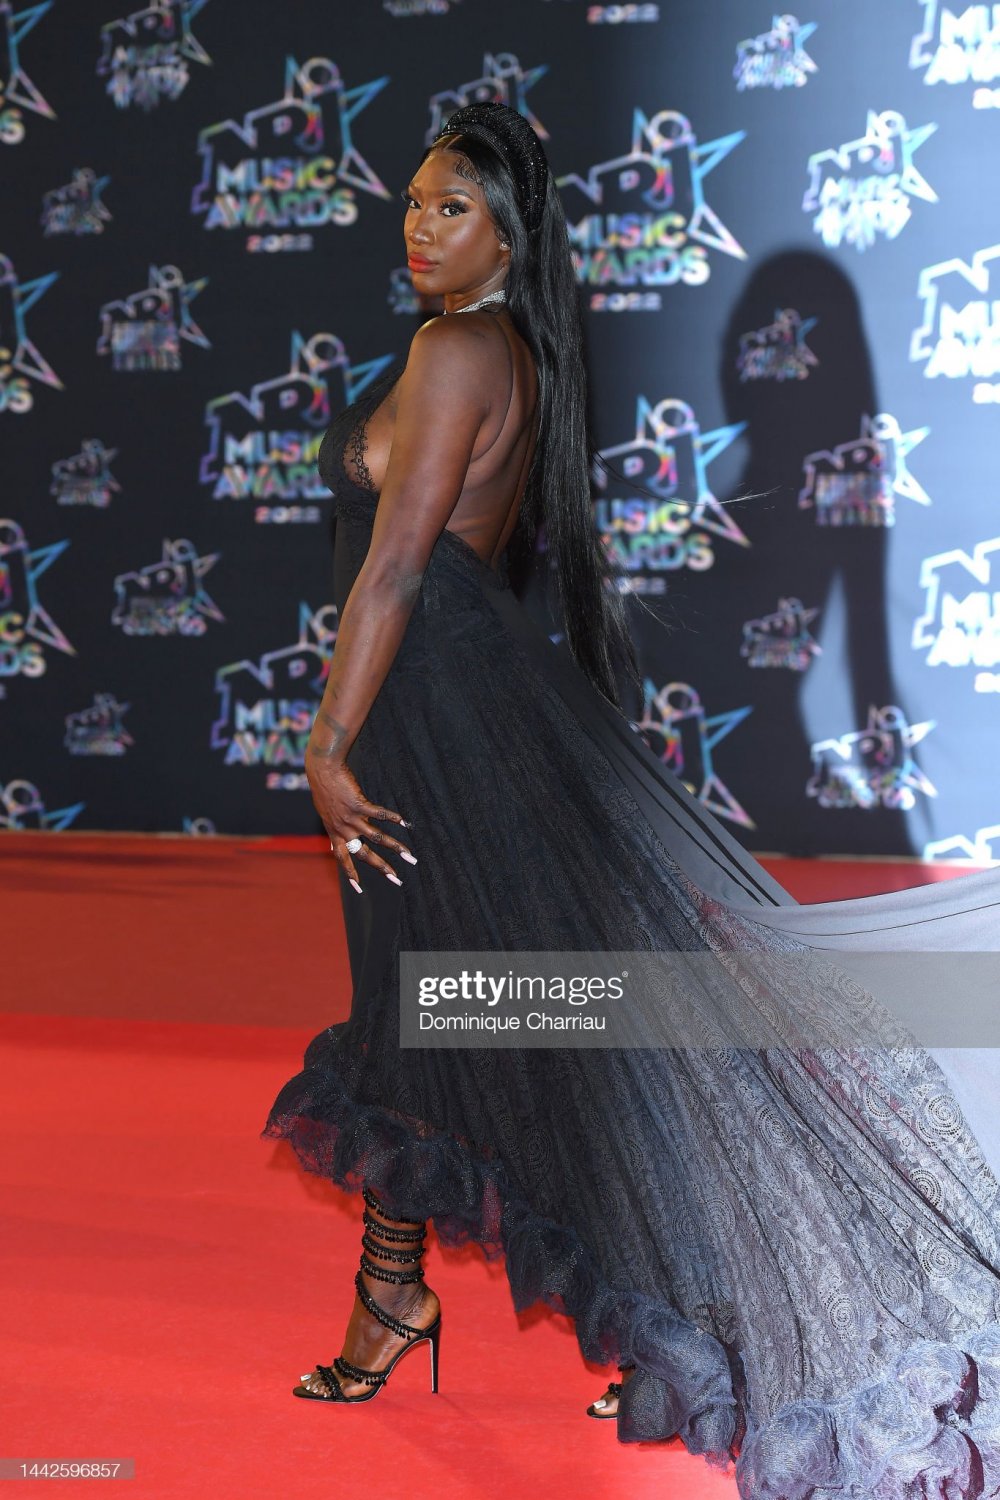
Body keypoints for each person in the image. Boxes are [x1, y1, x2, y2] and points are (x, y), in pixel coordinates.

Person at [262, 102, 1000, 1496]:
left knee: (458, 1013)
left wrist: (328, 741)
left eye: (452, 207)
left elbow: (400, 567)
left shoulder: (452, 351)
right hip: (466, 715)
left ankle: (416, 1302)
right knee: (492, 1019)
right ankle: (572, 1318)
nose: (419, 226)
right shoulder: (514, 351)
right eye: (412, 201)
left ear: (508, 234)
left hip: (431, 728)